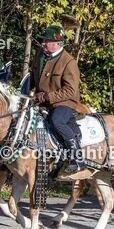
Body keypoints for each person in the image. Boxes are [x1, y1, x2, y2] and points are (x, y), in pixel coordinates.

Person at [30, 24, 84, 172]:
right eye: (44, 41)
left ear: (58, 43)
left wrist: (48, 96)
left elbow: (71, 90)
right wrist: (21, 92)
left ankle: (76, 157)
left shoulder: (68, 62)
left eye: (47, 41)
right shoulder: (40, 54)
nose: (43, 44)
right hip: (42, 100)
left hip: (64, 101)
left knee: (56, 121)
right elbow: (32, 77)